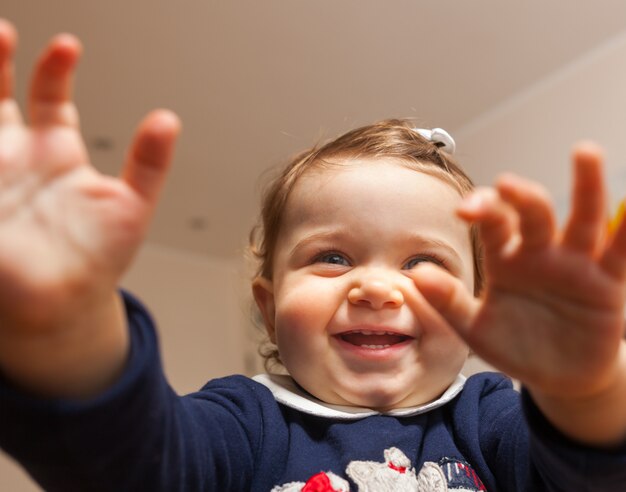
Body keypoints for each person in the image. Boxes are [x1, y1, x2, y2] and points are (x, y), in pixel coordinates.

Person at [0, 18, 626, 492]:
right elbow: (131, 466)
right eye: (332, 257)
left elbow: (589, 473)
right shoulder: (246, 421)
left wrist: (588, 390)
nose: (377, 288)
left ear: (475, 311)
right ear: (269, 312)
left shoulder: (489, 417)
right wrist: (65, 329)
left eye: (422, 264)